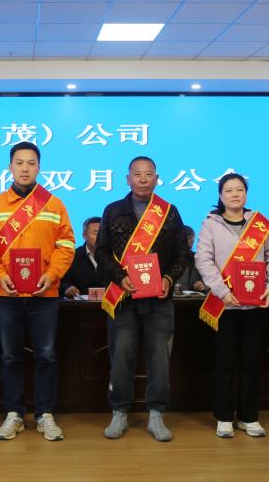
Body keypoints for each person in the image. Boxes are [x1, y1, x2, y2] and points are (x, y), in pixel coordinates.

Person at [0, 142, 75, 441]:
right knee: (10, 357)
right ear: (10, 167)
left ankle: (45, 415)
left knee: (46, 355)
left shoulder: (54, 205)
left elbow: (66, 245)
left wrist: (51, 275)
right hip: (6, 294)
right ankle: (14, 414)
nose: (25, 168)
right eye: (19, 163)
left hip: (45, 294)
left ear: (39, 167)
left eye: (31, 163)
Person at [95, 156, 188, 442]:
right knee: (121, 358)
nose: (144, 179)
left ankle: (156, 415)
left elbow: (182, 255)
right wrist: (119, 277)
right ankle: (119, 412)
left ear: (157, 179)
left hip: (159, 300)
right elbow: (101, 252)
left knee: (159, 360)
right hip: (124, 299)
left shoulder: (169, 212)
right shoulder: (113, 211)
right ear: (128, 179)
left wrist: (168, 278)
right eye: (138, 174)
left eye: (149, 174)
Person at [195, 173, 269, 438]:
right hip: (225, 306)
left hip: (256, 305)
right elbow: (203, 260)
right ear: (221, 196)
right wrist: (222, 291)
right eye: (229, 190)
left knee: (251, 363)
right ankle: (224, 417)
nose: (235, 194)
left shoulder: (260, 224)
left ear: (246, 193)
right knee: (225, 363)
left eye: (239, 189)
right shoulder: (210, 224)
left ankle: (249, 417)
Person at [60, 217, 103, 298]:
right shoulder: (73, 256)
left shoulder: (114, 256)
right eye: (96, 233)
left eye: (103, 233)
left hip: (110, 304)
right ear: (84, 235)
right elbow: (62, 281)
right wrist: (67, 288)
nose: (100, 237)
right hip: (80, 303)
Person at [174, 226, 207, 295]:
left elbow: (211, 282)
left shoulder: (199, 259)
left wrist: (204, 286)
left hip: (194, 299)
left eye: (191, 241)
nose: (189, 244)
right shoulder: (167, 260)